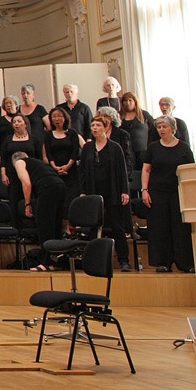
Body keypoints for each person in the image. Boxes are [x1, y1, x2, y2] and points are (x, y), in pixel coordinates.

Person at [142, 114, 196, 272]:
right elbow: (146, 169)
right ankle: (163, 262)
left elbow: (190, 171)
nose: (161, 130)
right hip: (157, 192)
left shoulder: (184, 147)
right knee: (160, 227)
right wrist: (144, 190)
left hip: (178, 191)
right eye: (159, 127)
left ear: (173, 129)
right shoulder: (153, 147)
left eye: (164, 127)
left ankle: (185, 263)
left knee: (180, 228)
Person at [83, 109, 131, 270]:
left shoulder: (115, 147)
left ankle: (124, 260)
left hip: (113, 190)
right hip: (93, 191)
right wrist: (83, 192)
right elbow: (82, 172)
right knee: (94, 226)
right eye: (92, 125)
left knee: (117, 226)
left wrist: (125, 191)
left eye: (98, 125)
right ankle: (94, 261)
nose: (95, 128)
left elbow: (122, 171)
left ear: (105, 127)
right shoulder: (88, 148)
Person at [13, 151, 68, 263]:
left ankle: (47, 261)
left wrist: (27, 204)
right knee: (55, 224)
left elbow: (26, 183)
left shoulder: (19, 162)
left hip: (47, 188)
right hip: (61, 186)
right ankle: (58, 260)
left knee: (44, 224)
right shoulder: (38, 163)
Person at [42, 105, 83, 219]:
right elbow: (49, 153)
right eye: (54, 117)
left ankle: (73, 224)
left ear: (65, 118)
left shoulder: (72, 133)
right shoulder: (48, 135)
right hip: (55, 170)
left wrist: (68, 166)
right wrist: (55, 167)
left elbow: (75, 151)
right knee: (58, 198)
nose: (56, 119)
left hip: (71, 170)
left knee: (71, 198)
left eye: (59, 116)